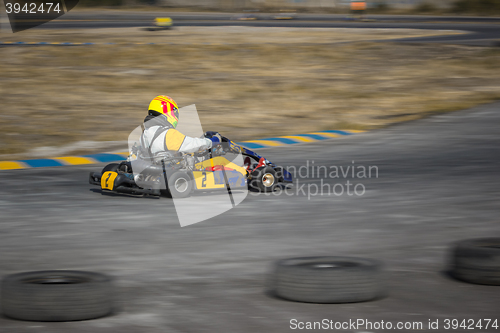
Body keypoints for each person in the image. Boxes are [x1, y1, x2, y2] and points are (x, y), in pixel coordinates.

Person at [139, 95, 220, 158]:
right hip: (171, 175)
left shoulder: (145, 134)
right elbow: (192, 145)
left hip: (157, 174)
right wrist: (211, 141)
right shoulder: (167, 134)